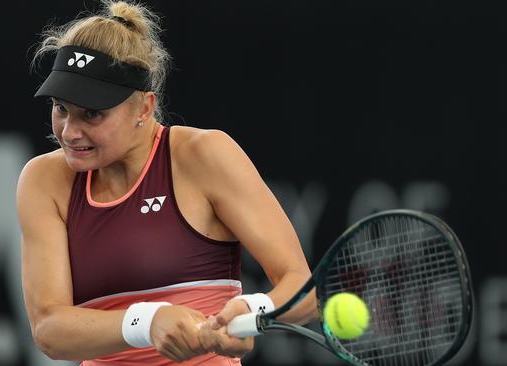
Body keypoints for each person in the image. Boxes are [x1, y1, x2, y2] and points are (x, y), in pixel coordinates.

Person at [17, 1, 317, 364]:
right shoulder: (44, 180)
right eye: (61, 107)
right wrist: (148, 321)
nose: (69, 131)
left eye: (92, 113)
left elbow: (302, 288)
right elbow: (49, 328)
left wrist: (253, 309)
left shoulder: (205, 155)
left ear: (143, 108)